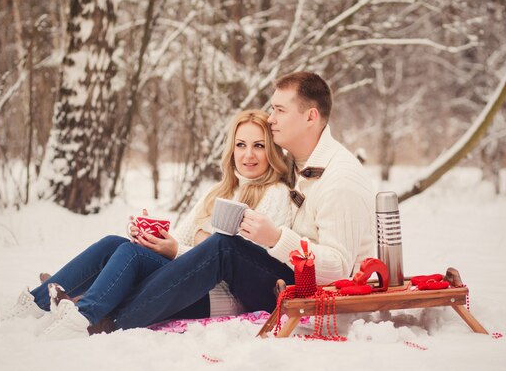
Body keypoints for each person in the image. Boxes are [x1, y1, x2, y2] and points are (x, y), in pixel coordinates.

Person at [19, 71, 375, 338]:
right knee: (122, 246)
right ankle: (41, 304)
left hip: (283, 285)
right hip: (259, 273)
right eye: (241, 145)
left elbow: (341, 269)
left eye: (279, 110)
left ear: (310, 117)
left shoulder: (338, 179)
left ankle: (93, 318)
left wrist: (275, 237)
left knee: (222, 246)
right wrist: (167, 243)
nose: (271, 118)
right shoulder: (299, 164)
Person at [0, 109, 292, 336]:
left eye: (259, 145)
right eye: (241, 145)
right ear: (231, 149)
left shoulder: (275, 194)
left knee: (132, 256)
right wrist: (155, 238)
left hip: (218, 295)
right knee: (116, 244)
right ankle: (34, 304)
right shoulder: (219, 192)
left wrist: (174, 251)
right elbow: (186, 242)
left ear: (271, 151)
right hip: (189, 279)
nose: (248, 154)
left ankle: (82, 317)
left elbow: (231, 263)